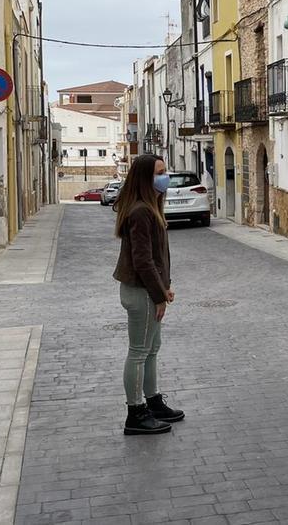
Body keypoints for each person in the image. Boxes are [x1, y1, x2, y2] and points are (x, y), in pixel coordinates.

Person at [112, 154, 185, 435]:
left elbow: (156, 257)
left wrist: (164, 287)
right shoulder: (141, 211)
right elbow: (143, 261)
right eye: (160, 172)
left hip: (149, 291)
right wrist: (158, 295)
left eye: (165, 171)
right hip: (141, 293)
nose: (165, 177)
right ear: (145, 178)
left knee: (151, 349)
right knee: (139, 352)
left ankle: (153, 402)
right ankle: (135, 413)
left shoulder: (149, 207)